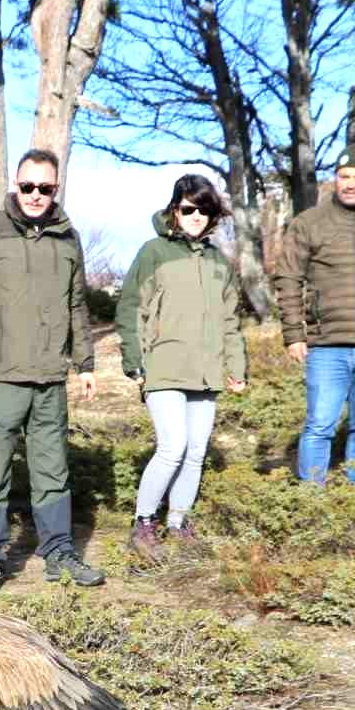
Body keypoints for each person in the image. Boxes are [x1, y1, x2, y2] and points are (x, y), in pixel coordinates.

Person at [0, 148, 103, 589]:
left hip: (50, 377)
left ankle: (59, 552)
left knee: (53, 471)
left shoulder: (67, 238)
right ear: (16, 184)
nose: (35, 195)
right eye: (28, 186)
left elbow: (77, 305)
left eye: (45, 188)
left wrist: (85, 363)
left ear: (56, 189)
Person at [116, 175, 246, 559]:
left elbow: (230, 321)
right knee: (172, 447)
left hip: (205, 372)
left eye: (204, 210)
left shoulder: (218, 262)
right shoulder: (153, 252)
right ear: (175, 210)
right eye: (188, 208)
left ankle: (177, 522)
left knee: (195, 451)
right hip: (164, 366)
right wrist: (134, 361)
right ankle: (143, 524)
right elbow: (130, 308)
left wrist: (236, 366)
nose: (196, 216)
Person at [274, 143, 355, 485]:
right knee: (320, 424)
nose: (350, 183)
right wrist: (294, 334)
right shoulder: (309, 222)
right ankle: (313, 495)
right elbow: (288, 277)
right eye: (343, 176)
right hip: (325, 345)